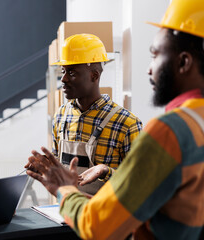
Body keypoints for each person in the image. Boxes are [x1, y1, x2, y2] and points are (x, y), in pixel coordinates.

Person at [26, 0, 204, 239]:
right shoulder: (197, 122)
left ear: (183, 62)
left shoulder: (168, 132)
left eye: (155, 55)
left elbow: (99, 227)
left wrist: (64, 189)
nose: (149, 69)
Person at [51, 33, 142, 194]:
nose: (63, 79)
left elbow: (142, 180)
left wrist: (106, 171)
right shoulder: (61, 115)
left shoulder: (127, 124)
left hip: (108, 216)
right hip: (66, 212)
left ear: (94, 75)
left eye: (71, 72)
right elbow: (58, 163)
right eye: (63, 71)